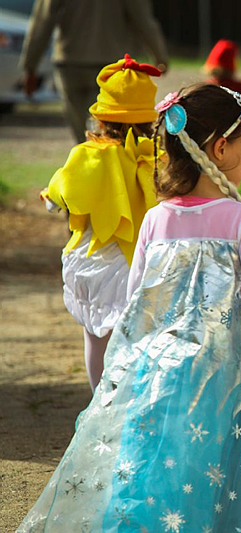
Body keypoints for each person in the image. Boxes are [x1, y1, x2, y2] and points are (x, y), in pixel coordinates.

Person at [17, 84, 241, 533]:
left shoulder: (157, 217)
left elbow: (136, 299)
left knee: (154, 461)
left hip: (156, 368)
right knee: (213, 468)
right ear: (220, 147)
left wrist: (124, 367)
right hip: (221, 376)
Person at [39, 54, 161, 391]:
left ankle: (100, 403)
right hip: (142, 264)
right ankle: (136, 405)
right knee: (142, 341)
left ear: (102, 118)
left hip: (96, 263)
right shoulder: (158, 158)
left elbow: (57, 197)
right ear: (150, 120)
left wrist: (49, 198)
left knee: (95, 337)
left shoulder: (87, 155)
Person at [20, 0, 169, 143]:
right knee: (108, 132)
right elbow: (143, 19)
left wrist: (30, 65)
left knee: (81, 133)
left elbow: (42, 21)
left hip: (70, 63)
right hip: (112, 66)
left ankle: (86, 161)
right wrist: (160, 56)